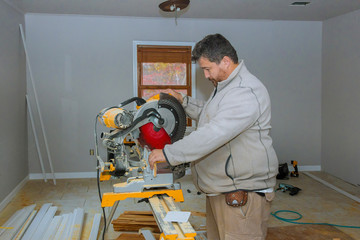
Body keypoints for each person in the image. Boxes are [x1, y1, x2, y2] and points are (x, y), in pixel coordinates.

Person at [149, 33, 278, 240]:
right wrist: (183, 101)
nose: (206, 75)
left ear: (225, 61)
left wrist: (168, 153)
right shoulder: (226, 87)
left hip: (240, 192)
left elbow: (214, 133)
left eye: (207, 69)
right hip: (221, 189)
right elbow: (211, 114)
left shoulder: (245, 91)